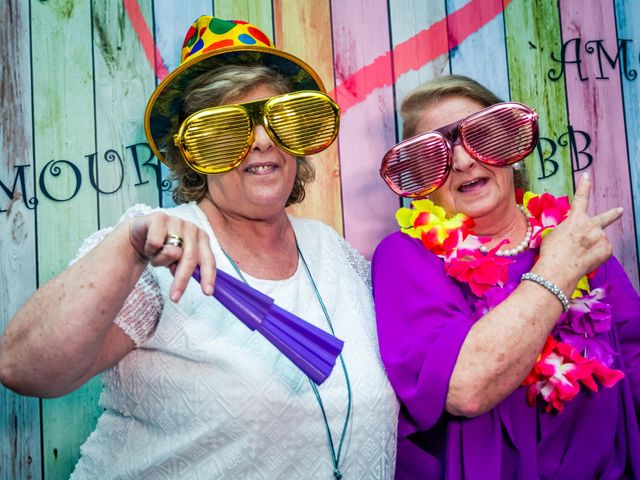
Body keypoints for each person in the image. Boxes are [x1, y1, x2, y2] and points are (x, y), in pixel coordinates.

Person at [0, 16, 398, 479]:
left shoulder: (338, 256)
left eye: (278, 120)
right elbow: (26, 368)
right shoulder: (151, 248)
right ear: (191, 152)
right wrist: (128, 249)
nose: (262, 142)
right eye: (228, 130)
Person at [373, 75, 640, 479]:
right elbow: (464, 387)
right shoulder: (405, 258)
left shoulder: (575, 240)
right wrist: (558, 270)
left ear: (511, 144)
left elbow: (635, 369)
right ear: (422, 181)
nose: (462, 161)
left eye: (479, 137)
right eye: (434, 154)